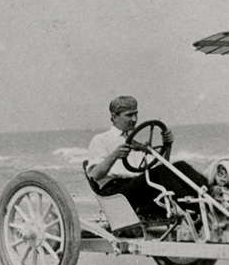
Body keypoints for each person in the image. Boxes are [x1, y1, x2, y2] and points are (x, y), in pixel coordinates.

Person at [84, 96, 208, 226]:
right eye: (129, 115)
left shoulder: (135, 143)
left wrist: (167, 146)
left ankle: (208, 197)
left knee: (180, 166)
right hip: (117, 193)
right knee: (160, 173)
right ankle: (200, 210)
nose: (134, 119)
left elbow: (164, 168)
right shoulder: (101, 140)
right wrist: (114, 155)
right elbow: (95, 174)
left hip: (137, 187)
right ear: (114, 117)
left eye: (136, 114)